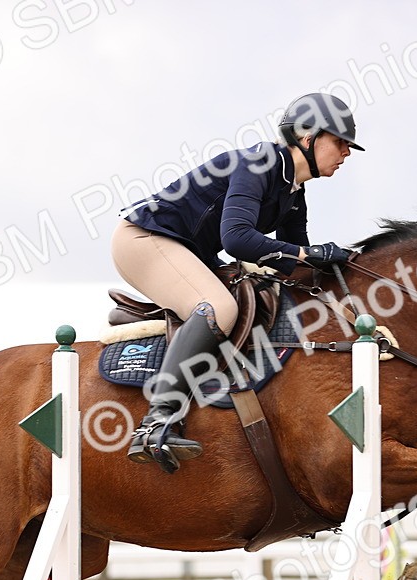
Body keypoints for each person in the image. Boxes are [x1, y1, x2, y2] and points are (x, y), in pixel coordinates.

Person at [112, 92, 364, 473]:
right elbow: (237, 239)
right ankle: (156, 422)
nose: (346, 153)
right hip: (144, 240)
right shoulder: (260, 163)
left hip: (188, 251)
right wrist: (308, 254)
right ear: (308, 137)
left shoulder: (294, 192)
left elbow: (293, 265)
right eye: (340, 142)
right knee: (219, 308)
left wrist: (340, 265)